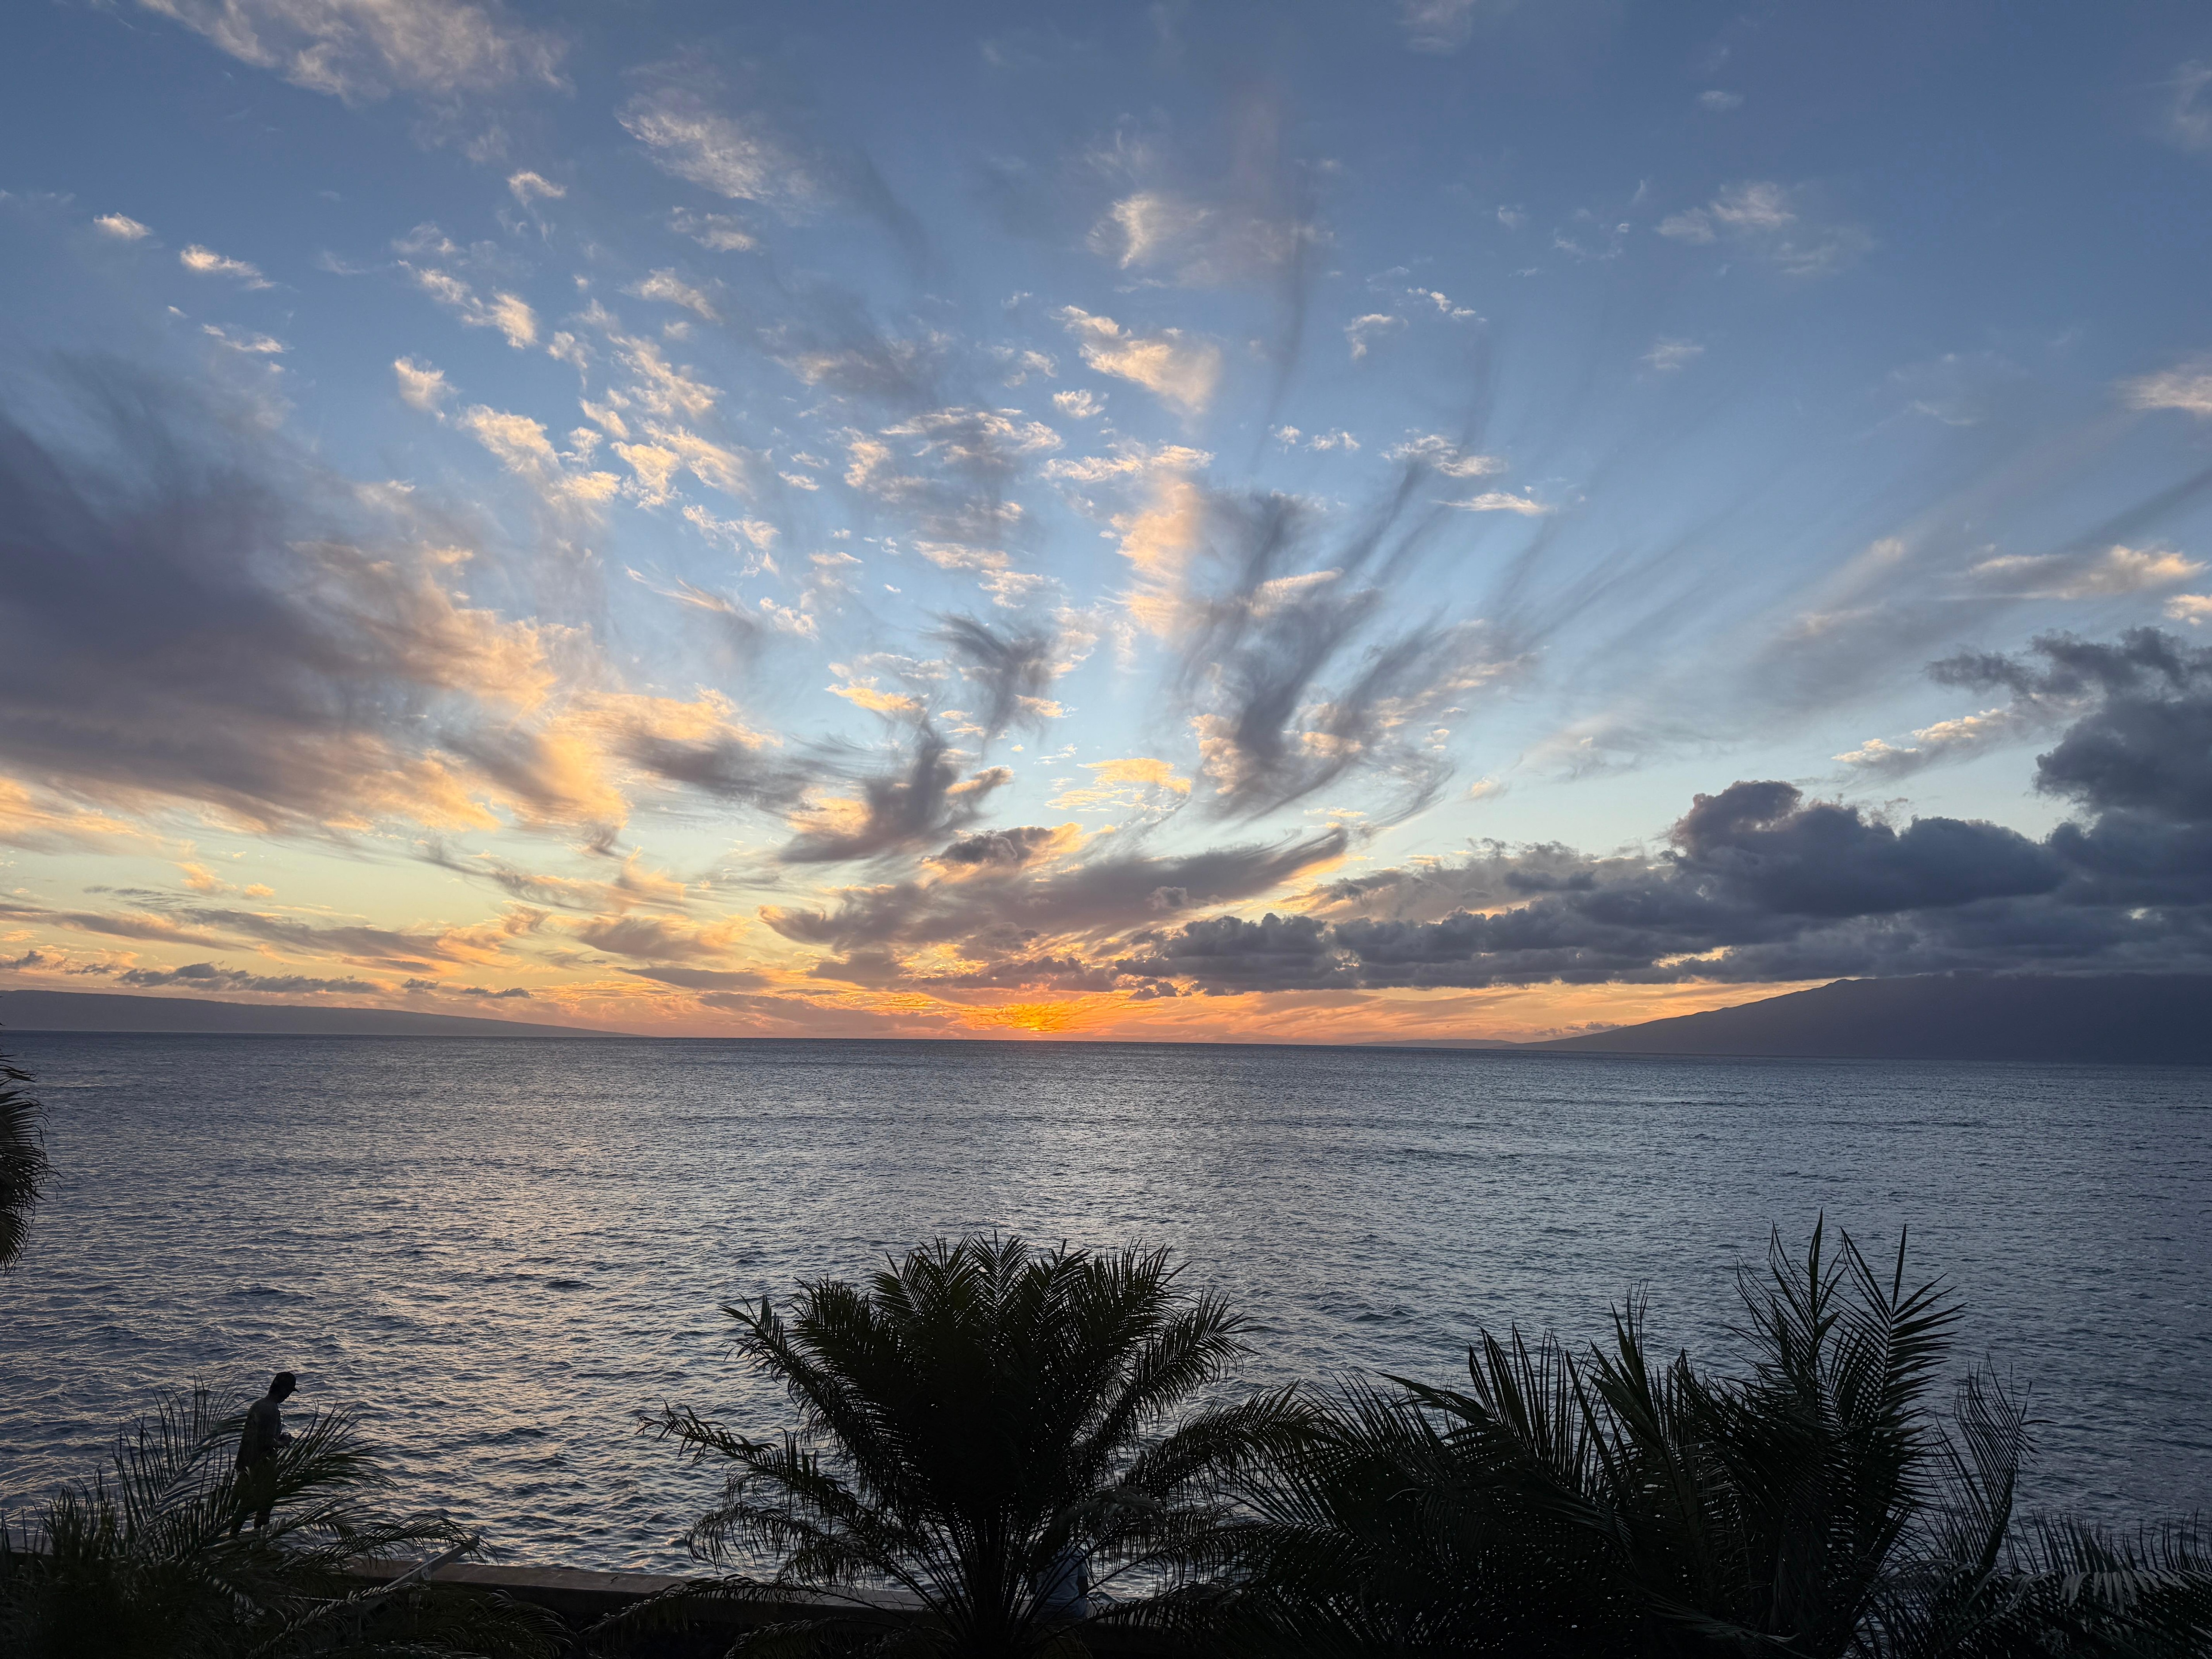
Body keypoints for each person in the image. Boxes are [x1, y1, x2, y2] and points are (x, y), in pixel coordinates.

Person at [230, 1371, 296, 1535]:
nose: (288, 1396)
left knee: (244, 1506)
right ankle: (258, 1541)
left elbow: (260, 1435)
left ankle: (235, 1537)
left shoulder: (260, 1405)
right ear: (283, 1391)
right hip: (260, 1467)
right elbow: (266, 1442)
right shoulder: (271, 1410)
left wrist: (278, 1437)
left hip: (247, 1463)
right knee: (263, 1507)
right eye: (288, 1391)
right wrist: (284, 1442)